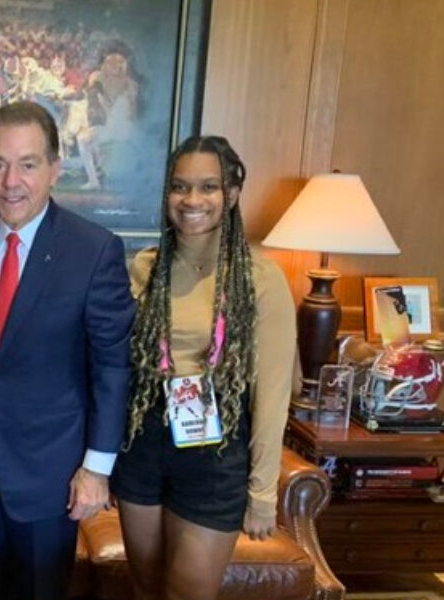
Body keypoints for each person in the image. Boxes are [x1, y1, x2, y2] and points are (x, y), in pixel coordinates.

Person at [0, 101, 135, 600]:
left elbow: (111, 366)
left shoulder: (94, 250)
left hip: (51, 472)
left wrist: (96, 469)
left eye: (27, 164)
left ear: (55, 169)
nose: (10, 181)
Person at [111, 136, 296, 600]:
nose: (192, 200)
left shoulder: (261, 278)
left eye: (208, 187)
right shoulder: (145, 269)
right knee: (145, 588)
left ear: (231, 194)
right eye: (180, 187)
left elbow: (273, 397)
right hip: (143, 444)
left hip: (215, 452)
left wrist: (262, 495)